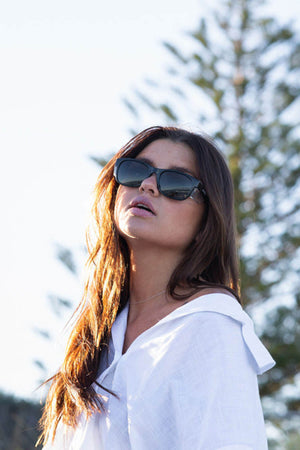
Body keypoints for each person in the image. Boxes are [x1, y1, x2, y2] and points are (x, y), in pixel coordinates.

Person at [39, 126, 275, 449]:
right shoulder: (93, 336)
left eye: (176, 184)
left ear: (207, 220)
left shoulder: (211, 329)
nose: (148, 185)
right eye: (136, 171)